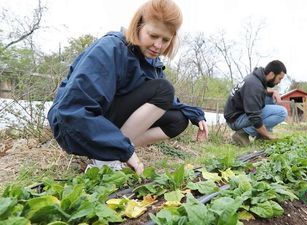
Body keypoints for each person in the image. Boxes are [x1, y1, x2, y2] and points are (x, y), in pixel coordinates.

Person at [47, 0, 208, 175]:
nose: (158, 46)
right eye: (153, 36)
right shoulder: (110, 48)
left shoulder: (150, 60)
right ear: (138, 26)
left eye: (166, 40)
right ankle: (108, 156)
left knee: (178, 119)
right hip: (73, 125)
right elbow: (72, 112)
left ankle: (111, 154)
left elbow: (167, 100)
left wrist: (195, 114)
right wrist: (121, 148)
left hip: (105, 120)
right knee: (164, 89)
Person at [224, 60, 288, 145]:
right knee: (282, 112)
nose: (279, 82)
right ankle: (243, 133)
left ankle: (260, 136)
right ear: (272, 74)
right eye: (279, 78)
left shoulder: (256, 78)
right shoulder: (254, 85)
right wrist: (267, 136)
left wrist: (273, 92)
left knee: (269, 98)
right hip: (236, 120)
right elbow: (254, 117)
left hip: (236, 115)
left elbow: (261, 92)